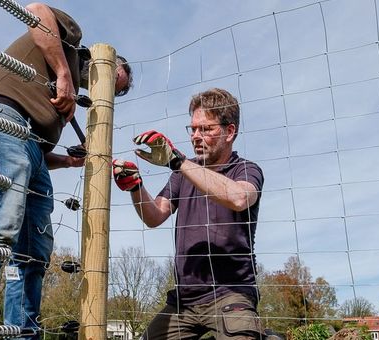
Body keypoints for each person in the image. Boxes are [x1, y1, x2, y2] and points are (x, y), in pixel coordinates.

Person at [0, 2, 132, 335]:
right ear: (95, 62)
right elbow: (36, 11)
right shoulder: (69, 41)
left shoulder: (59, 107)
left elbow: (32, 156)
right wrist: (64, 73)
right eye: (107, 79)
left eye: (111, 91)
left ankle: (23, 332)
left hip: (27, 144)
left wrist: (67, 160)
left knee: (34, 252)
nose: (97, 88)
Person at [112, 88, 265, 339]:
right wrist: (135, 187)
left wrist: (178, 161)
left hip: (230, 293)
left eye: (205, 129)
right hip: (182, 301)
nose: (195, 136)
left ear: (230, 131)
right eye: (192, 129)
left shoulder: (246, 170)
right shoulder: (182, 175)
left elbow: (239, 197)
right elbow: (154, 215)